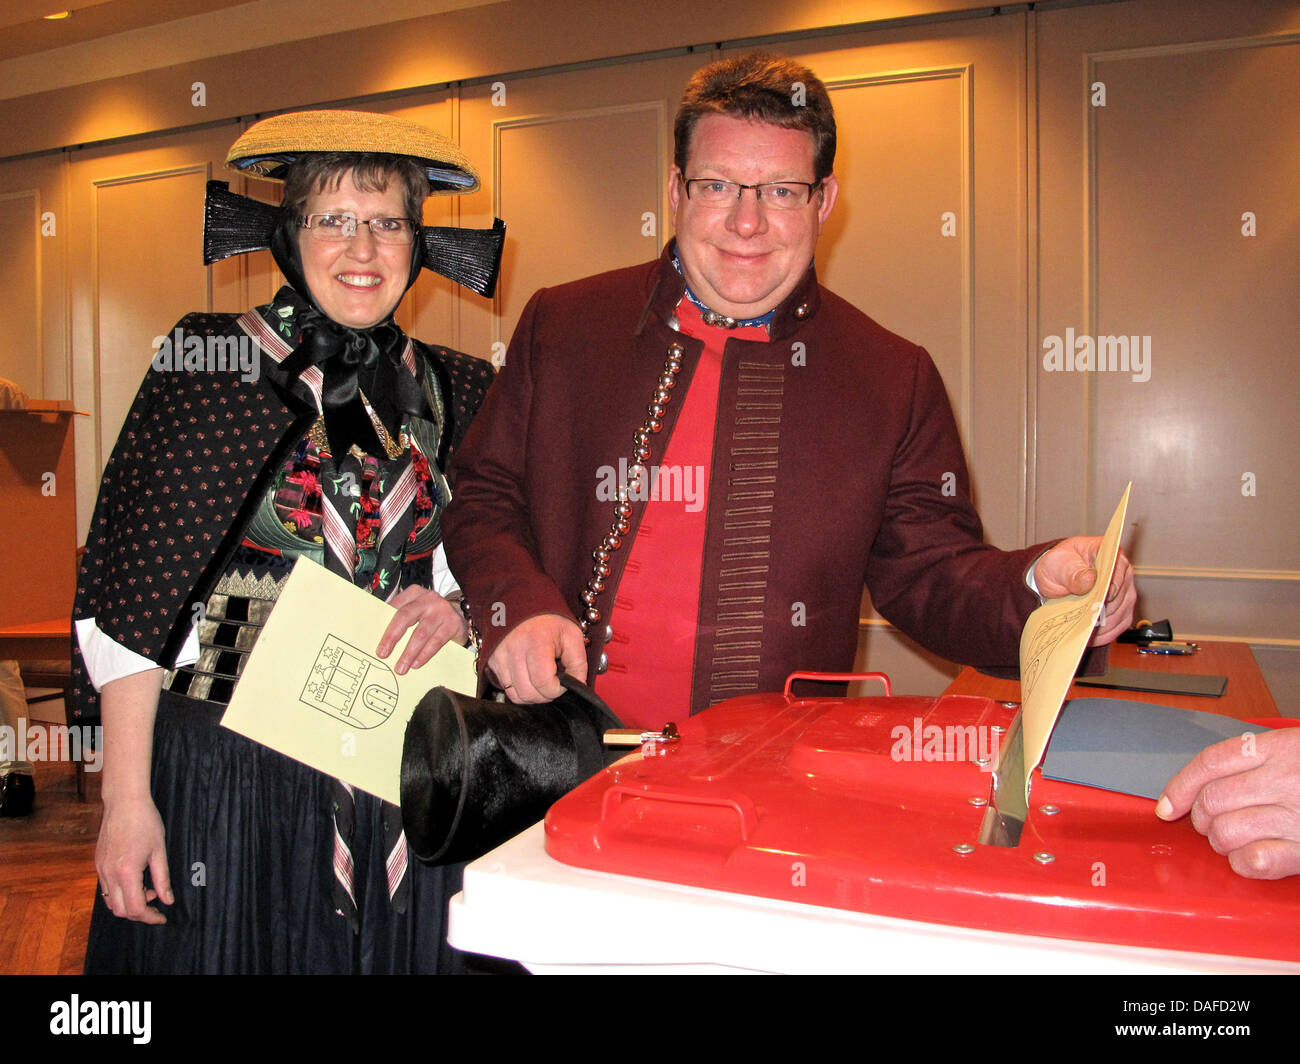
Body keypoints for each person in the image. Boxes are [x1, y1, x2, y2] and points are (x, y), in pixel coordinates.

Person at [442, 52, 1136, 725]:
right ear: (677, 188)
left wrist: (1042, 587)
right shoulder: (563, 324)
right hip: (553, 752)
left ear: (824, 200)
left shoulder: (892, 377)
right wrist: (516, 602)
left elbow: (933, 575)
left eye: (781, 190)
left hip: (764, 784)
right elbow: (484, 494)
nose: (748, 223)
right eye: (717, 186)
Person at [74, 110, 504, 972]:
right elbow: (131, 602)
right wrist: (126, 800)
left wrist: (460, 611)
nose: (364, 248)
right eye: (334, 219)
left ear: (418, 243)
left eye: (388, 223)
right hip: (232, 772)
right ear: (288, 232)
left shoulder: (461, 385)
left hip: (403, 758)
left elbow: (502, 560)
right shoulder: (210, 367)